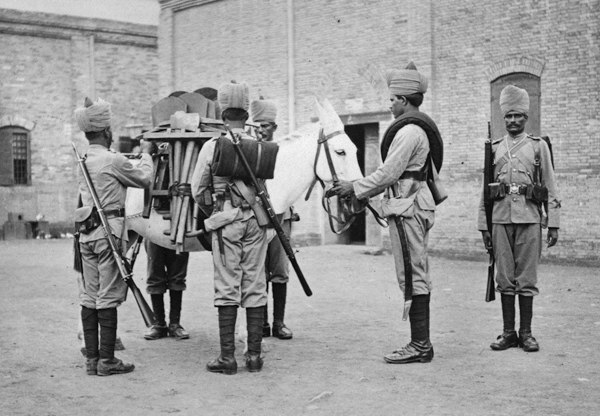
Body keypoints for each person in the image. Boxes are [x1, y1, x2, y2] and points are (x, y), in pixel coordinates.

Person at [330, 62, 438, 364]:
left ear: (404, 100)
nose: (389, 104)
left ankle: (420, 345)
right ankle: (420, 342)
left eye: (392, 99)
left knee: (413, 274)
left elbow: (389, 173)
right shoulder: (414, 129)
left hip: (409, 207)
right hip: (410, 204)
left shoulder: (409, 132)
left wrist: (355, 188)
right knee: (414, 272)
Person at [191, 81, 269, 374]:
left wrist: (216, 211)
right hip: (256, 221)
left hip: (226, 222)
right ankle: (254, 357)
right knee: (256, 285)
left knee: (227, 286)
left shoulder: (212, 146)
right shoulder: (260, 145)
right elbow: (263, 186)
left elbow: (198, 190)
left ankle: (228, 358)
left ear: (222, 112)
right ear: (247, 114)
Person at [74, 97, 153, 376]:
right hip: (109, 233)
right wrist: (146, 155)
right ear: (106, 132)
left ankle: (92, 361)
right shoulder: (112, 159)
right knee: (107, 297)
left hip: (87, 235)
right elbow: (144, 179)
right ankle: (107, 361)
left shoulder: (83, 160)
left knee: (89, 296)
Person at [478, 85, 560, 352]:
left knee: (526, 277)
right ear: (504, 119)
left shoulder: (538, 147)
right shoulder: (494, 148)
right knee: (504, 277)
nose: (513, 121)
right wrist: (484, 225)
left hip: (529, 217)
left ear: (526, 117)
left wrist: (554, 222)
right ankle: (507, 333)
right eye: (508, 116)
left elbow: (550, 184)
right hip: (500, 218)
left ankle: (526, 333)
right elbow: (485, 190)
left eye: (518, 116)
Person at [250, 98, 294, 340]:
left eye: (265, 125)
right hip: (256, 218)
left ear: (274, 128)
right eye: (257, 125)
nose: (260, 130)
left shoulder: (283, 152)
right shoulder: (248, 150)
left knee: (278, 269)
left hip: (280, 216)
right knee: (258, 271)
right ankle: (262, 324)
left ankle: (278, 323)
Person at [142, 240, 190, 340]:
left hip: (178, 233)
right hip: (153, 232)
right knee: (155, 277)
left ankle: (175, 324)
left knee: (177, 277)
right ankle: (159, 325)